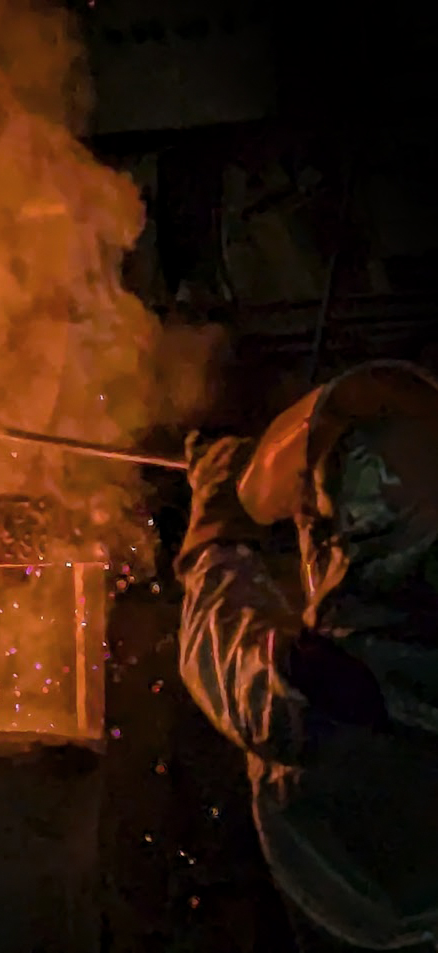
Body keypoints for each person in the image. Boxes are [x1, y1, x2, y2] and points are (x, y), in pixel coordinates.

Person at [176, 360, 438, 952]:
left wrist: (217, 533)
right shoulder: (410, 599)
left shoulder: (336, 680)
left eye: (319, 517)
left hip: (369, 912)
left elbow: (229, 659)